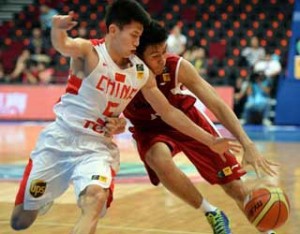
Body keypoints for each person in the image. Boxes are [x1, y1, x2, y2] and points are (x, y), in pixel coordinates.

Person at [10, 1, 240, 233]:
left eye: (140, 37)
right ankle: (43, 198)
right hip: (60, 140)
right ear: (113, 30)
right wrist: (57, 28)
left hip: (96, 147)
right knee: (20, 221)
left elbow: (168, 112)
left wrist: (210, 140)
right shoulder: (88, 52)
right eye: (134, 35)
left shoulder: (140, 71)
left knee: (94, 200)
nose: (137, 43)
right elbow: (64, 44)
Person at [123, 20, 278, 234]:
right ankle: (211, 211)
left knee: (235, 187)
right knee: (157, 158)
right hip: (149, 129)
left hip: (189, 122)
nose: (162, 59)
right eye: (155, 55)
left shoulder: (177, 66)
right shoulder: (122, 73)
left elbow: (216, 102)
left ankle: (269, 232)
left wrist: (247, 142)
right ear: (138, 55)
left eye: (164, 51)